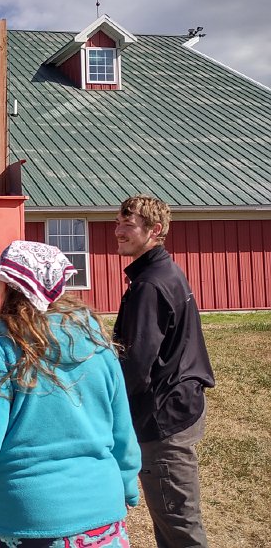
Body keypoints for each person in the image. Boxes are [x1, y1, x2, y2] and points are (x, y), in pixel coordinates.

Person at [0, 240, 140, 548]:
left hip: (26, 520)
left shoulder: (0, 347)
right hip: (102, 516)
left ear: (8, 285)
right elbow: (122, 433)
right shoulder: (96, 341)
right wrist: (126, 488)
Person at [113, 195, 215, 547]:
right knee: (170, 521)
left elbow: (136, 366)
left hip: (164, 419)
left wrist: (104, 403)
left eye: (129, 224)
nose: (119, 231)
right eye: (118, 223)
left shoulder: (150, 285)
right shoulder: (161, 271)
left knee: (179, 524)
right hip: (178, 405)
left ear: (154, 230)